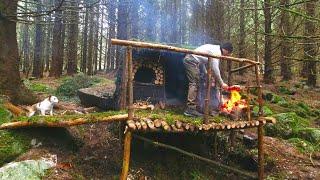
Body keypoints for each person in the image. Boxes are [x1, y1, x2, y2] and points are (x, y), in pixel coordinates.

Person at [183, 42, 233, 117]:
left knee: (197, 83)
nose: (226, 55)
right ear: (226, 50)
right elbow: (215, 69)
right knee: (194, 83)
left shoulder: (213, 48)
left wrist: (206, 73)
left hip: (192, 60)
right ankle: (190, 109)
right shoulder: (216, 52)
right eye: (228, 53)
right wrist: (222, 83)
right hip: (191, 61)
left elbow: (202, 61)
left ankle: (196, 107)